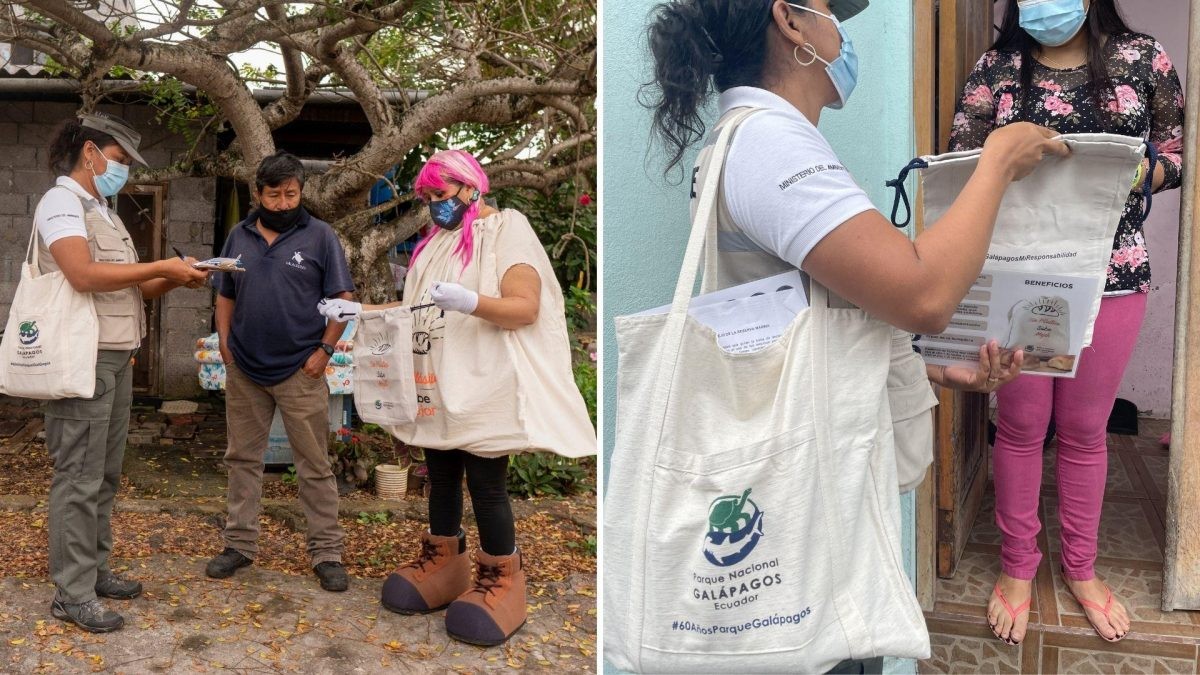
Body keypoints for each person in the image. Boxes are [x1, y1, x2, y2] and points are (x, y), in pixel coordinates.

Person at [639, 0, 1071, 670]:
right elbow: (923, 292)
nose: (842, 33)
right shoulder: (770, 144)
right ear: (790, 23)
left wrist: (937, 370)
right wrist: (997, 162)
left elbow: (794, 318)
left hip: (799, 480)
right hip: (809, 508)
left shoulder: (752, 138)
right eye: (832, 13)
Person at [949, 0, 1185, 646]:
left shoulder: (1143, 60)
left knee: (1085, 429)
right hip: (1020, 273)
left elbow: (1176, 151)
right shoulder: (996, 69)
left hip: (1112, 274)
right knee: (1022, 426)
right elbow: (959, 159)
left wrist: (1142, 172)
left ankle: (1080, 567)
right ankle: (1018, 565)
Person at [317, 149, 595, 647]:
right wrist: (358, 308)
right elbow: (413, 310)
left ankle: (502, 578)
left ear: (470, 187)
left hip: (485, 383)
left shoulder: (508, 229)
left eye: (439, 196)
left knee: (487, 482)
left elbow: (523, 307)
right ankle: (444, 562)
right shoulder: (438, 243)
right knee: (440, 472)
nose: (433, 207)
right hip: (439, 384)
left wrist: (470, 300)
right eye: (426, 198)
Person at [36, 112, 210, 632]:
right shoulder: (60, 202)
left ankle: (94, 572)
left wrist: (179, 278)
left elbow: (129, 287)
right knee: (78, 477)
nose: (123, 172)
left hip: (114, 357)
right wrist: (162, 266)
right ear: (90, 152)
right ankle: (72, 593)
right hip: (82, 359)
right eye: (117, 161)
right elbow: (83, 274)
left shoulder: (102, 210)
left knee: (105, 476)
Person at [205, 151, 355, 593]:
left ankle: (327, 553)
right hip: (245, 368)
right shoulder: (239, 234)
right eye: (276, 195)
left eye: (293, 194)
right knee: (242, 459)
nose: (285, 203)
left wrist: (325, 351)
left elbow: (342, 297)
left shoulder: (321, 236)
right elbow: (225, 293)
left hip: (300, 369)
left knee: (313, 464)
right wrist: (225, 343)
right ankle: (239, 545)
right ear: (258, 194)